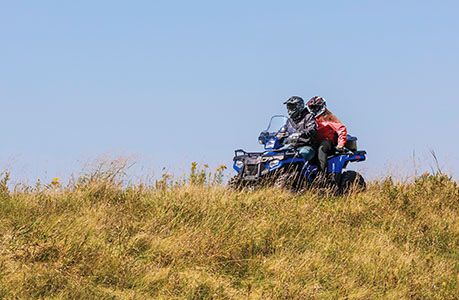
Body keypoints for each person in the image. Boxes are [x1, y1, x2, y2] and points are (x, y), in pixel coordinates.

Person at [306, 96, 347, 172]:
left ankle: (321, 172)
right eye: (311, 108)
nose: (313, 110)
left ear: (321, 106)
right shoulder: (311, 119)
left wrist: (340, 144)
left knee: (322, 148)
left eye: (315, 107)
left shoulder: (329, 118)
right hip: (314, 140)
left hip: (327, 142)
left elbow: (341, 129)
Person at [283, 96, 317, 161]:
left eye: (292, 106)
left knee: (303, 153)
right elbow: (283, 131)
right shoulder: (289, 121)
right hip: (292, 147)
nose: (289, 109)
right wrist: (269, 135)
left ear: (299, 106)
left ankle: (308, 170)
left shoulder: (308, 116)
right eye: (288, 107)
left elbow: (312, 129)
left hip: (306, 145)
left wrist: (300, 133)